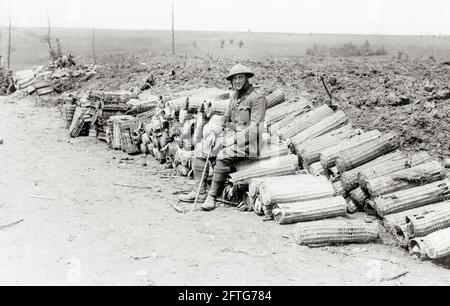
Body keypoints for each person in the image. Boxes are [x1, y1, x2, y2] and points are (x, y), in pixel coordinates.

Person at [178, 64, 267, 211]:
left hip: (250, 143)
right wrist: (214, 133)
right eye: (234, 79)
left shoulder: (257, 98)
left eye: (240, 77)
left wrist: (233, 140)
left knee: (222, 154)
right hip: (231, 137)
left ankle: (212, 196)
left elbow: (255, 128)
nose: (237, 81)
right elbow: (224, 119)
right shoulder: (235, 97)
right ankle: (199, 192)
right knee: (201, 150)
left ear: (246, 79)